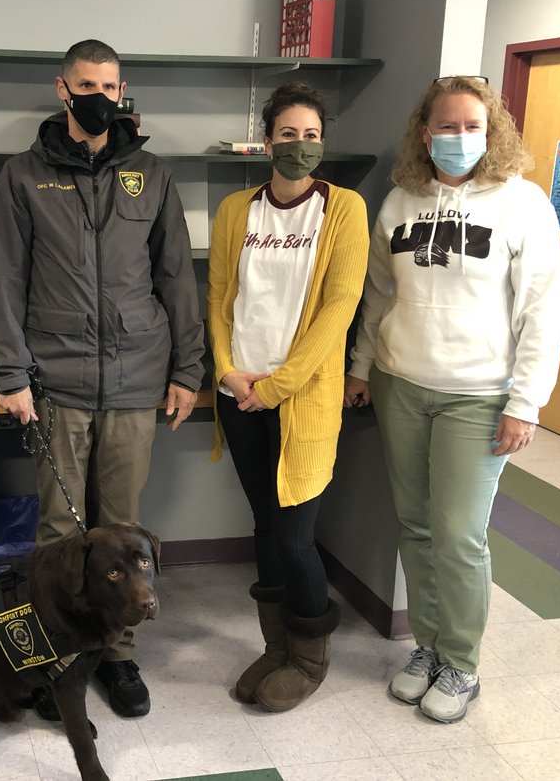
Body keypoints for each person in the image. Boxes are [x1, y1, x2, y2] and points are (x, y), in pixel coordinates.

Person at [0, 39, 204, 719]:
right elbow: (4, 281)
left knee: (125, 532)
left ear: (122, 89)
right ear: (62, 88)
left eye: (109, 85)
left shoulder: (152, 174)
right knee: (58, 534)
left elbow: (175, 276)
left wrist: (187, 368)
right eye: (86, 84)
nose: (98, 95)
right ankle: (59, 662)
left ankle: (120, 657)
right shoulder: (23, 176)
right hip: (56, 382)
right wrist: (11, 374)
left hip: (137, 379)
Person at [345, 75, 560, 723]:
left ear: (492, 131)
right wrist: (362, 369)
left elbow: (543, 311)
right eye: (447, 126)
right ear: (424, 132)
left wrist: (526, 402)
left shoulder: (523, 204)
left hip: (478, 397)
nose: (460, 137)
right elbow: (379, 296)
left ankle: (461, 663)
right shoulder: (400, 202)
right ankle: (430, 647)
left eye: (473, 126)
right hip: (401, 384)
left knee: (459, 535)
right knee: (414, 526)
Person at [205, 81, 368, 713]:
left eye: (311, 135)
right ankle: (276, 648)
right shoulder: (234, 211)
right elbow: (219, 298)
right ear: (266, 139)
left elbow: (340, 307)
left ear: (322, 140)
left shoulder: (344, 209)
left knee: (296, 537)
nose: (299, 146)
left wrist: (278, 386)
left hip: (300, 400)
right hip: (239, 394)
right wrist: (227, 372)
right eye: (287, 134)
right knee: (266, 527)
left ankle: (309, 656)